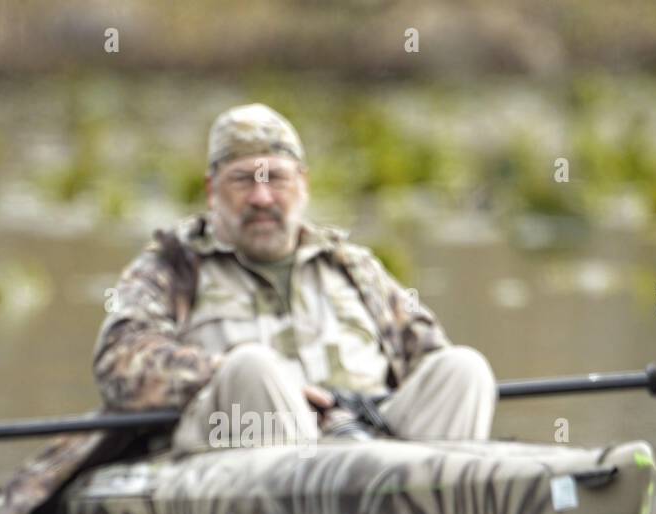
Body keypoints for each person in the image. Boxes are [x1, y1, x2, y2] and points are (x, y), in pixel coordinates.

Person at [94, 102, 498, 452]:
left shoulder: (354, 267)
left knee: (463, 370)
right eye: (243, 179)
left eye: (276, 178)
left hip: (370, 442)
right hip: (227, 456)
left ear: (302, 183)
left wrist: (357, 410)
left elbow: (428, 357)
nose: (262, 197)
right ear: (212, 189)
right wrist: (223, 372)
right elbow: (119, 365)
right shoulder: (171, 265)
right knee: (253, 367)